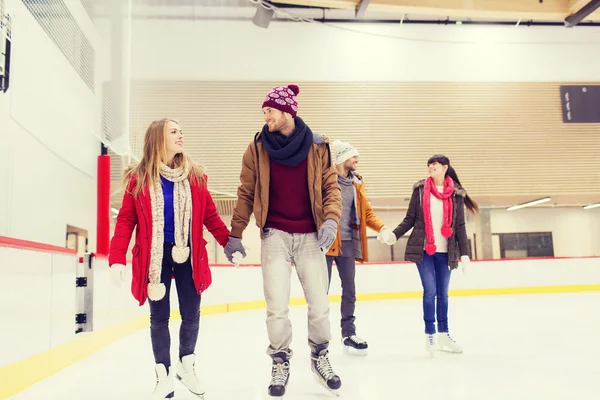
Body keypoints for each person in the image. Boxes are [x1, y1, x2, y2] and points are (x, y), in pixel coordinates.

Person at [224, 84, 343, 397]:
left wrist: (331, 220)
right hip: (274, 233)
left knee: (319, 305)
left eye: (270, 111)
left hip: (311, 236)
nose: (266, 117)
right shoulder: (258, 147)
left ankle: (320, 356)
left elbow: (332, 189)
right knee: (276, 306)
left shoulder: (318, 146)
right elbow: (246, 192)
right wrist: (235, 233)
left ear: (288, 110)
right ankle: (280, 360)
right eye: (264, 112)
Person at [108, 118, 231, 399]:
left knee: (191, 314)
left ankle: (186, 364)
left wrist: (228, 242)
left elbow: (210, 216)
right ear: (158, 139)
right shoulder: (138, 178)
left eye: (181, 131)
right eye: (173, 131)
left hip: (188, 253)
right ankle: (162, 374)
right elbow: (126, 220)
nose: (180, 135)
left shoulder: (195, 175)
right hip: (154, 256)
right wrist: (117, 258)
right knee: (158, 318)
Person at [381, 154, 478, 356]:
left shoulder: (456, 195)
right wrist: (394, 235)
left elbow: (459, 226)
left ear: (445, 167)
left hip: (447, 251)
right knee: (430, 291)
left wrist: (465, 254)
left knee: (443, 294)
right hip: (425, 250)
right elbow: (410, 219)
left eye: (433, 165)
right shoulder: (420, 190)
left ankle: (444, 334)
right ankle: (430, 334)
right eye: (428, 166)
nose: (430, 168)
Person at [326, 140, 395, 355]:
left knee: (350, 291)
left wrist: (382, 228)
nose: (357, 160)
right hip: (325, 244)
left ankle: (348, 333)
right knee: (320, 293)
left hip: (348, 243)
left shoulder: (356, 183)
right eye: (353, 156)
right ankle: (319, 339)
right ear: (340, 159)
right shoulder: (324, 181)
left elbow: (366, 213)